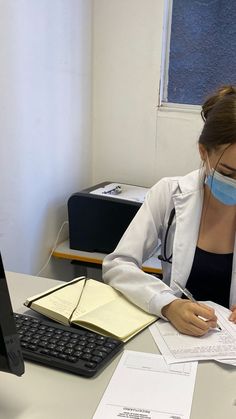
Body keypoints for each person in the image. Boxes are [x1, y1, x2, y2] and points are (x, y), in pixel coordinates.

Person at [102, 85, 236, 337]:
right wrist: (168, 304)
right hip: (175, 339)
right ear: (203, 152)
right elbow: (118, 265)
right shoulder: (169, 194)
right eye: (229, 173)